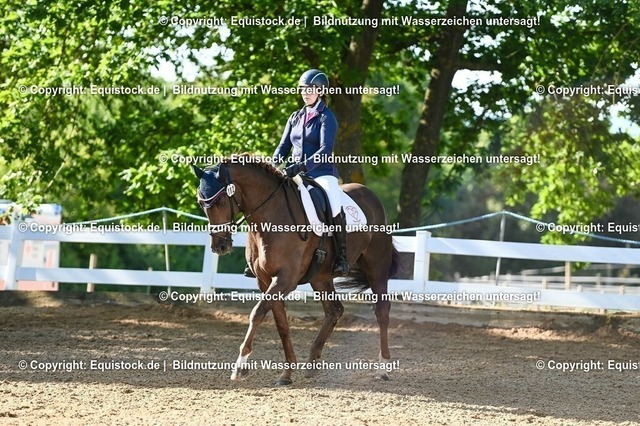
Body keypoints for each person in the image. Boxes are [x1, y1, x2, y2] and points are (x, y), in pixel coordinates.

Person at [271, 69, 350, 275]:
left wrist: (302, 166)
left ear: (320, 91)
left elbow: (325, 150)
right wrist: (272, 166)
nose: (305, 93)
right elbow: (283, 147)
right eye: (303, 89)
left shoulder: (327, 117)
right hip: (294, 173)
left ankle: (342, 257)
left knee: (334, 205)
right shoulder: (295, 117)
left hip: (321, 173)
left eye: (310, 89)